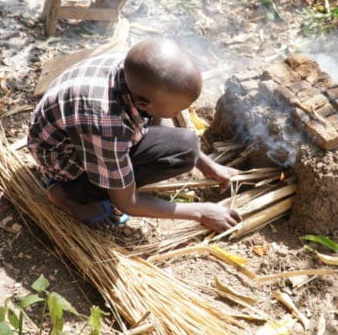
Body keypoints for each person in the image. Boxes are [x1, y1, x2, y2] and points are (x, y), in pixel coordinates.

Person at [27, 37, 241, 232]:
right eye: (178, 109)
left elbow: (152, 120)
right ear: (143, 104)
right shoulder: (107, 123)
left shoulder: (136, 74)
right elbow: (127, 203)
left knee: (188, 146)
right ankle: (70, 194)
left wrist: (207, 165)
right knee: (181, 153)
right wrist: (201, 211)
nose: (181, 113)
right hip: (65, 160)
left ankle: (85, 185)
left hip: (76, 135)